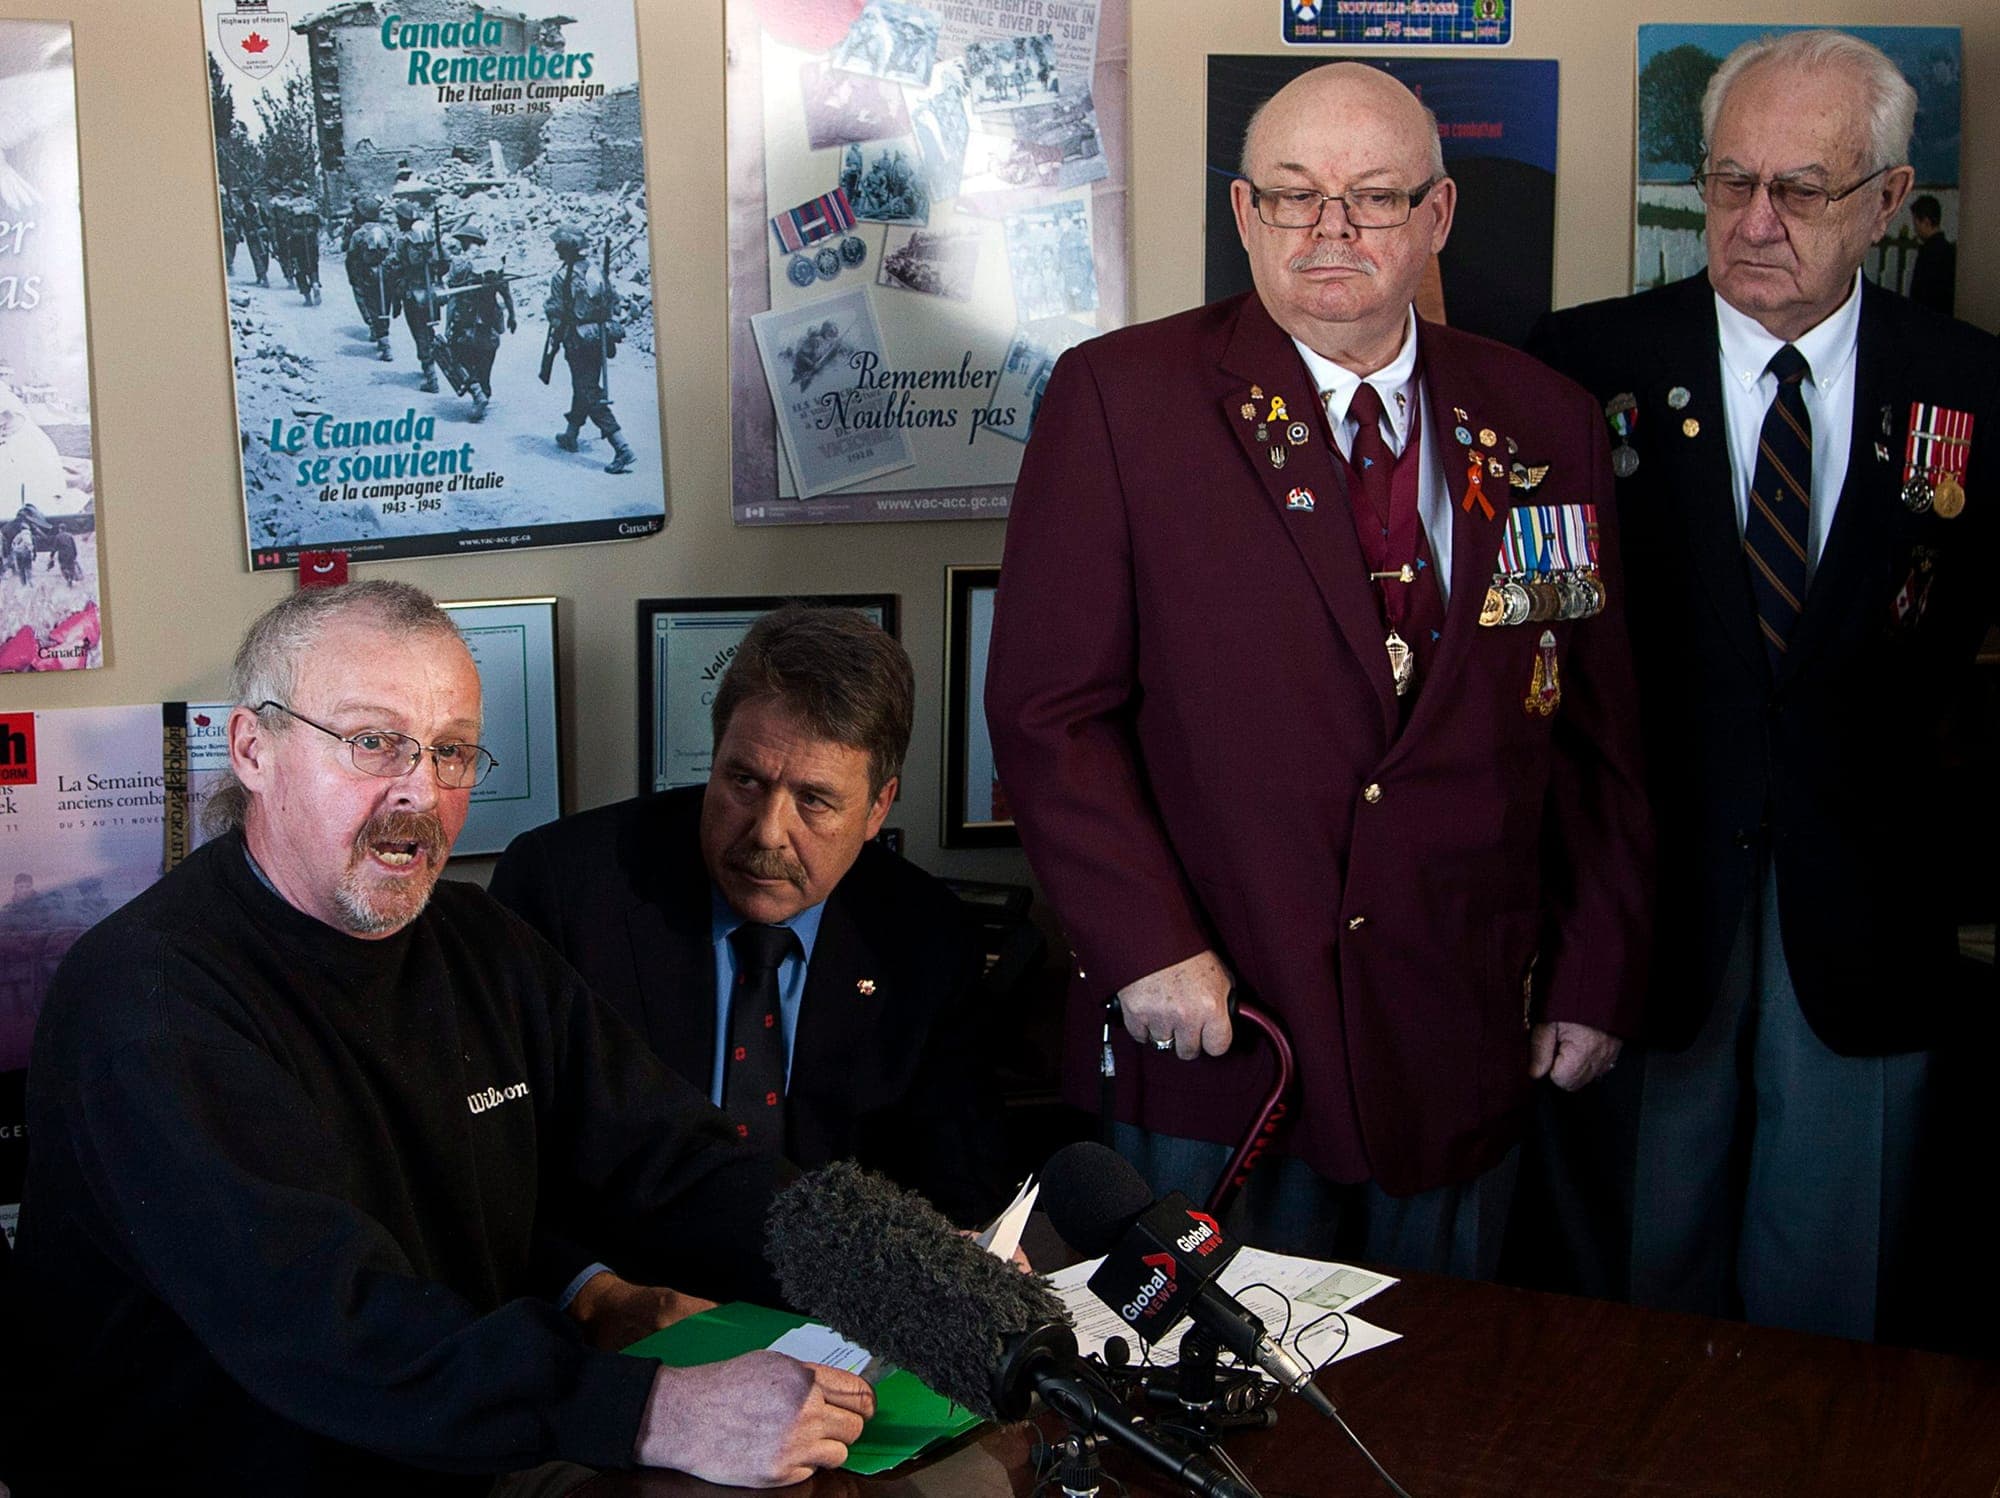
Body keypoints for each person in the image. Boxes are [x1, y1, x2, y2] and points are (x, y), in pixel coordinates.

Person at [985, 62, 1650, 1279]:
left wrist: (1595, 969)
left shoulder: (1546, 420)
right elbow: (1046, 713)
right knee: (1202, 1410)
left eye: (1373, 196)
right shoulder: (1120, 400)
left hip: (1456, 1025)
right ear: (1243, 215)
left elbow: (1595, 733)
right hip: (1218, 1022)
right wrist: (1141, 944)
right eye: (1293, 196)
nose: (1329, 228)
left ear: (1436, 216)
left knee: (1434, 1411)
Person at [4, 582, 874, 1494]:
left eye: (451, 751)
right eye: (373, 741)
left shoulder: (477, 943)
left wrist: (903, 1269)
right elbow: (331, 1326)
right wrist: (654, 1411)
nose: (419, 792)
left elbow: (678, 1160)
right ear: (254, 749)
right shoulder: (148, 998)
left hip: (447, 1453)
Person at [1527, 30, 1998, 1341]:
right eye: (1730, 180)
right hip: (1647, 899)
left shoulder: (1972, 386)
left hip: (1871, 912)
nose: (1753, 220)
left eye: (1802, 188)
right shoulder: (1578, 370)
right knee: (1636, 1278)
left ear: (1888, 202)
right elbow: (1533, 647)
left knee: (1836, 1304)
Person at [491, 606, 1006, 1228]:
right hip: (622, 1291)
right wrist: (597, 1294)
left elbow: (958, 1187)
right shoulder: (563, 888)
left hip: (833, 1300)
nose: (767, 834)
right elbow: (505, 1165)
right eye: (744, 781)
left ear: (877, 808)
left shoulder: (928, 939)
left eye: (814, 800)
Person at [544, 223, 637, 475]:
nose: (556, 250)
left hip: (577, 339)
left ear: (565, 250)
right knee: (583, 384)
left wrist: (554, 320)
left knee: (588, 390)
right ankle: (571, 434)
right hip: (600, 336)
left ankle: (621, 447)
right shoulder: (595, 270)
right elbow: (614, 301)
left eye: (559, 247)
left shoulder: (561, 277)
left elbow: (556, 311)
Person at [441, 224, 515, 420]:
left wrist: (448, 324)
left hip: (466, 320)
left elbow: (453, 298)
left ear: (465, 241)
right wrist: (512, 317)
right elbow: (506, 293)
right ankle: (484, 393)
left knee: (457, 357)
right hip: (491, 319)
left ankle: (477, 393)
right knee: (486, 360)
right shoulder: (495, 262)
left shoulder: (459, 263)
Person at [391, 199, 447, 392]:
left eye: (399, 218)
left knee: (419, 332)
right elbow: (445, 261)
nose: (397, 222)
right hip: (433, 292)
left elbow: (394, 267)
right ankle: (436, 364)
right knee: (430, 330)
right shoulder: (432, 240)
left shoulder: (401, 241)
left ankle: (431, 376)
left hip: (412, 293)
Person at [343, 193, 397, 360]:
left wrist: (352, 276)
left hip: (366, 275)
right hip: (386, 274)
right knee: (384, 306)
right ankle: (383, 334)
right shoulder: (388, 230)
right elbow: (395, 252)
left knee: (372, 306)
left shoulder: (359, 233)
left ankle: (383, 340)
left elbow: (351, 256)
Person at [1905, 193, 1956, 316]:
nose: (1915, 229)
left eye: (1916, 224)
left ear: (1926, 222)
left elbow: (1919, 292)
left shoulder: (1928, 253)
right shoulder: (1950, 250)